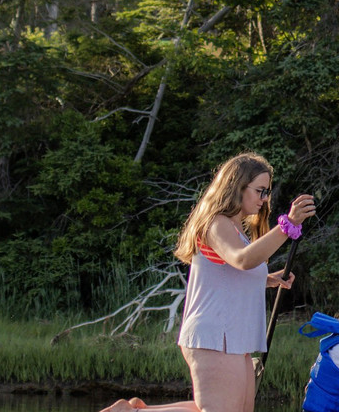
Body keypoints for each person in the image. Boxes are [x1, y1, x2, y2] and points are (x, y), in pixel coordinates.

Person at [100, 152, 316, 412]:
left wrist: (268, 279)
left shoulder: (236, 230)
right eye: (260, 191)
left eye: (267, 192)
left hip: (235, 338)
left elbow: (228, 274)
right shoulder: (216, 223)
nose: (265, 198)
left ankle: (137, 411)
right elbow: (242, 259)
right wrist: (287, 225)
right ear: (238, 187)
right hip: (214, 336)